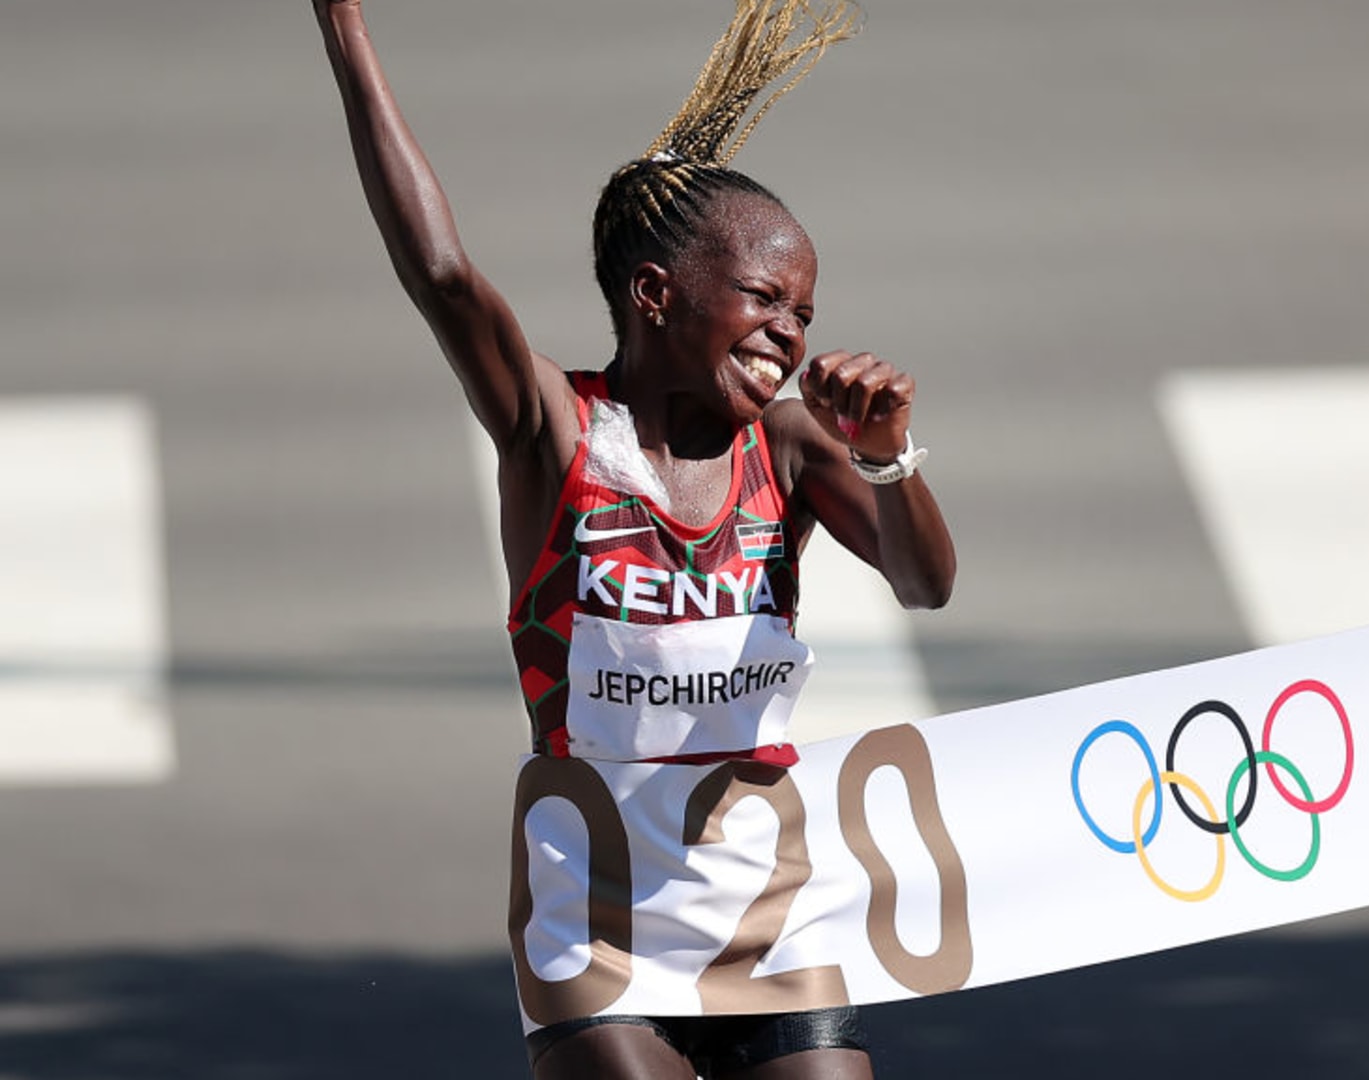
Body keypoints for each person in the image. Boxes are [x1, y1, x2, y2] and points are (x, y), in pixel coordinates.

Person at [312, 1, 956, 1076]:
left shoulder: (793, 449)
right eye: (762, 299)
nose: (789, 335)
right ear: (656, 296)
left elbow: (925, 583)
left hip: (767, 904)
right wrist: (345, 32)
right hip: (595, 917)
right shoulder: (553, 429)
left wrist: (887, 456)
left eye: (802, 311)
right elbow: (442, 275)